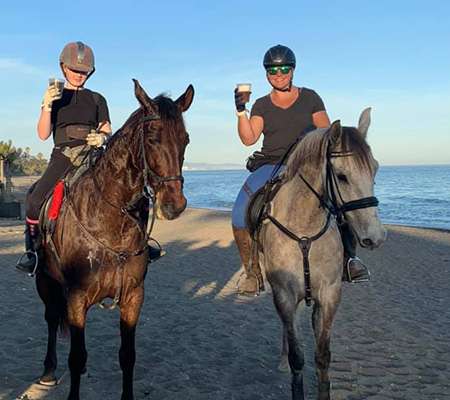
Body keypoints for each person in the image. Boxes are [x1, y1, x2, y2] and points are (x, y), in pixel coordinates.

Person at [231, 44, 370, 294]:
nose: (279, 74)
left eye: (284, 68)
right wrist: (241, 111)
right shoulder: (262, 104)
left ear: (293, 70)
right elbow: (249, 138)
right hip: (272, 163)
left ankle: (350, 259)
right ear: (266, 74)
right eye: (273, 70)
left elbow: (326, 133)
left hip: (306, 163)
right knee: (240, 210)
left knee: (340, 199)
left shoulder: (310, 97)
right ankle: (252, 272)